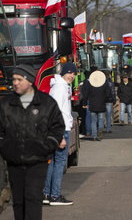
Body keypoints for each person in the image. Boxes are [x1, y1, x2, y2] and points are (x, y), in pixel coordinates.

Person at [0, 64, 65, 220]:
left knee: (33, 198)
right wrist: (4, 146)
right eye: (14, 79)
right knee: (18, 202)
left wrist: (47, 146)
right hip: (14, 161)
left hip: (37, 162)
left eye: (19, 79)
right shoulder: (5, 104)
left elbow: (57, 128)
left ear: (29, 81)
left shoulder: (47, 103)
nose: (15, 83)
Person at [43, 62, 76, 206]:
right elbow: (55, 112)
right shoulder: (60, 88)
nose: (72, 76)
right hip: (61, 130)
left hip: (58, 129)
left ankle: (47, 194)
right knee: (59, 163)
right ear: (63, 73)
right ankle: (54, 195)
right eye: (70, 73)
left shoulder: (61, 87)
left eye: (74, 73)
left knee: (52, 162)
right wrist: (60, 135)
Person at [82, 70, 111, 141]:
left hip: (92, 105)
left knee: (93, 121)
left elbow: (86, 94)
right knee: (100, 120)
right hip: (101, 104)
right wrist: (105, 99)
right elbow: (108, 93)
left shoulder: (90, 84)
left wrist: (84, 103)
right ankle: (100, 132)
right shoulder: (104, 83)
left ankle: (94, 136)